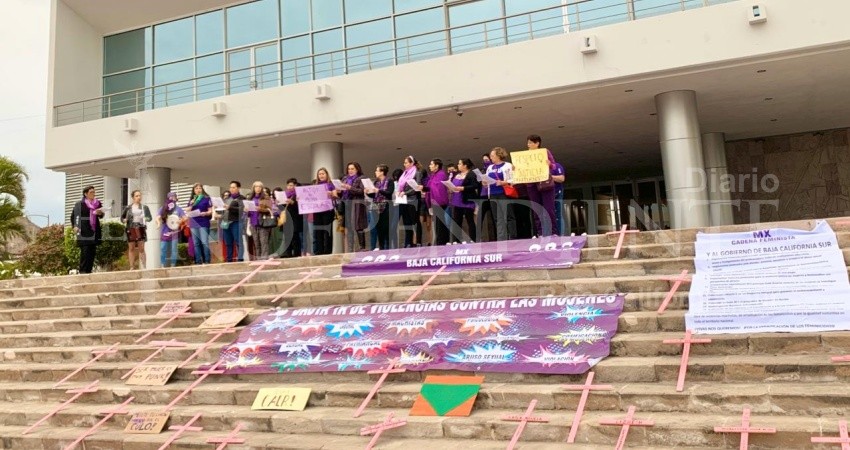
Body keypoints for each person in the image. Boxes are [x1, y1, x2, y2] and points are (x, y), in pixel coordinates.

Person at [524, 134, 558, 237]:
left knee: (549, 208)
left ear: (537, 143)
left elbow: (554, 166)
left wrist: (549, 164)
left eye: (530, 142)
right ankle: (540, 232)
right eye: (528, 142)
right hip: (531, 185)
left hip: (545, 183)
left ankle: (553, 232)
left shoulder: (545, 152)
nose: (528, 144)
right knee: (536, 209)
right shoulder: (524, 155)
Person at [70, 185, 105, 274]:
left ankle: (89, 271)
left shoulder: (97, 203)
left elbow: (101, 215)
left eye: (94, 192)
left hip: (94, 229)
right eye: (91, 192)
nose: (93, 194)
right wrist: (75, 226)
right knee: (85, 251)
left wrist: (100, 213)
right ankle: (83, 271)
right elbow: (74, 216)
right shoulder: (80, 204)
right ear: (86, 194)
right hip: (84, 230)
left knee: (92, 251)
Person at [486, 147, 516, 242]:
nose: (491, 158)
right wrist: (484, 182)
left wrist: (503, 182)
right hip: (493, 194)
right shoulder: (490, 167)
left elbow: (513, 179)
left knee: (508, 215)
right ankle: (501, 238)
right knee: (497, 217)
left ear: (499, 155)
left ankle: (512, 236)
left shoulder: (507, 165)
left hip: (503, 193)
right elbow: (487, 179)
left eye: (492, 155)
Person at [395, 156, 425, 248]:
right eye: (404, 163)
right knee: (406, 222)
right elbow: (401, 186)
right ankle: (409, 242)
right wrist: (399, 191)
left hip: (413, 200)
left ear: (412, 163)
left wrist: (405, 192)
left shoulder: (417, 173)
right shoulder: (404, 174)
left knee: (415, 221)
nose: (405, 164)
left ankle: (419, 241)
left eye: (407, 162)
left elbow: (417, 188)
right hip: (404, 200)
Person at [448, 159, 480, 243]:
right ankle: (456, 240)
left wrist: (463, 188)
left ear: (465, 165)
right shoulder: (457, 175)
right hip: (456, 200)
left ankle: (473, 239)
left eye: (459, 164)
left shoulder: (471, 174)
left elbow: (474, 186)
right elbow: (453, 185)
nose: (458, 165)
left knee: (470, 220)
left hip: (466, 200)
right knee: (457, 220)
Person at [120, 190, 152, 270]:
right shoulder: (128, 207)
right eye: (137, 196)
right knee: (131, 248)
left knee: (141, 248)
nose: (139, 197)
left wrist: (145, 217)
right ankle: (132, 267)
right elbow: (122, 217)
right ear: (133, 197)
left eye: (140, 195)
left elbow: (149, 218)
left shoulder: (144, 207)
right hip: (131, 227)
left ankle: (144, 266)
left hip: (140, 227)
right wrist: (124, 220)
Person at [340, 162, 368, 252]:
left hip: (357, 204)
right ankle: (350, 248)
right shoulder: (345, 178)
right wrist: (339, 190)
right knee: (349, 227)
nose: (350, 171)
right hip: (347, 204)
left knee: (358, 226)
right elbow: (342, 193)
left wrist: (349, 188)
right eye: (349, 169)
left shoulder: (361, 178)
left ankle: (362, 247)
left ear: (357, 169)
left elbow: (361, 191)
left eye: (352, 169)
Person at [366, 164, 395, 250]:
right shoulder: (376, 182)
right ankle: (381, 248)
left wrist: (379, 190)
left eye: (377, 170)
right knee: (379, 229)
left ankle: (388, 248)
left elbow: (389, 193)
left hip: (386, 207)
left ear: (382, 172)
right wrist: (368, 192)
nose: (375, 172)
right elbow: (373, 195)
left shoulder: (389, 181)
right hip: (376, 207)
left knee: (386, 228)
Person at [424, 158, 450, 246]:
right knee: (438, 223)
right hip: (434, 202)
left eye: (431, 164)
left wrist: (426, 189)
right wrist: (423, 188)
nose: (430, 166)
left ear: (436, 166)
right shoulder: (433, 175)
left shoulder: (441, 174)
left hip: (440, 202)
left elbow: (438, 188)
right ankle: (441, 241)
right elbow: (430, 187)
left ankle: (442, 242)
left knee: (440, 224)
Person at [155, 192, 185, 267]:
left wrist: (181, 221)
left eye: (174, 197)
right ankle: (162, 264)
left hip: (175, 231)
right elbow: (157, 217)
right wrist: (158, 222)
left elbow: (185, 218)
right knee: (163, 248)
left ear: (176, 198)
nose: (172, 199)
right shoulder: (163, 208)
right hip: (165, 231)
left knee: (174, 249)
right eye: (170, 197)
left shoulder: (179, 209)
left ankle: (173, 265)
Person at [187, 183, 213, 264]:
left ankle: (207, 260)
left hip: (203, 222)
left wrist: (205, 213)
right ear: (194, 191)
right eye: (196, 188)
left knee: (204, 242)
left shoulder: (206, 198)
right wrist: (192, 203)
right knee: (196, 243)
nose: (198, 190)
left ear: (202, 189)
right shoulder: (192, 200)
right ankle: (198, 261)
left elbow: (210, 211)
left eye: (200, 188)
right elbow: (187, 210)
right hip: (193, 223)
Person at [247, 181, 274, 259]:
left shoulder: (266, 197)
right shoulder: (250, 198)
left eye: (259, 187)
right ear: (253, 188)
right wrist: (246, 210)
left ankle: (264, 260)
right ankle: (258, 260)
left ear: (262, 188)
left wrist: (260, 209)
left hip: (263, 222)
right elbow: (248, 213)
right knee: (257, 244)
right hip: (253, 222)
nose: (258, 188)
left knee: (264, 243)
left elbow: (270, 210)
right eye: (256, 186)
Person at [313, 167, 336, 255]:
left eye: (323, 173)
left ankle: (327, 251)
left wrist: (331, 194)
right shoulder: (315, 186)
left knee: (327, 231)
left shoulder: (330, 184)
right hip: (317, 211)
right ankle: (319, 251)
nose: (321, 175)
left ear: (326, 174)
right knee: (318, 231)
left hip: (328, 210)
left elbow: (335, 196)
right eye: (320, 174)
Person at [219, 181, 244, 262]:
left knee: (238, 241)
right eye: (230, 187)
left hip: (236, 222)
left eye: (234, 187)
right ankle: (229, 260)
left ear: (238, 188)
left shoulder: (241, 198)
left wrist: (230, 207)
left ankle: (240, 259)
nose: (232, 189)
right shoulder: (227, 198)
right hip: (226, 222)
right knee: (228, 242)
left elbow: (241, 210)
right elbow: (224, 210)